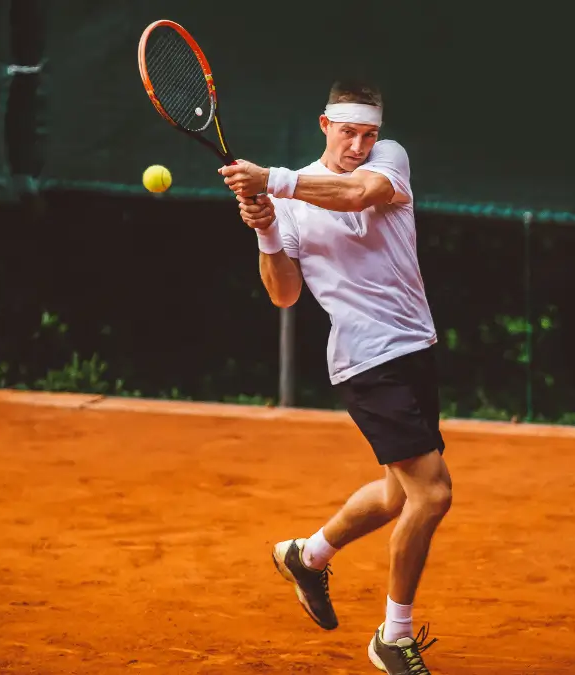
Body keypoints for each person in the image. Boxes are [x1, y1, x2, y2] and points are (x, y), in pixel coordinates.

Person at [217, 79, 451, 674]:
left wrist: (272, 182)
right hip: (366, 362)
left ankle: (308, 555)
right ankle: (394, 636)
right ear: (325, 124)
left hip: (416, 348)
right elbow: (285, 294)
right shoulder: (292, 198)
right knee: (432, 494)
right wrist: (268, 229)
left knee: (398, 495)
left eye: (368, 134)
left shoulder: (387, 160)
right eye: (349, 133)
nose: (359, 145)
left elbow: (357, 194)